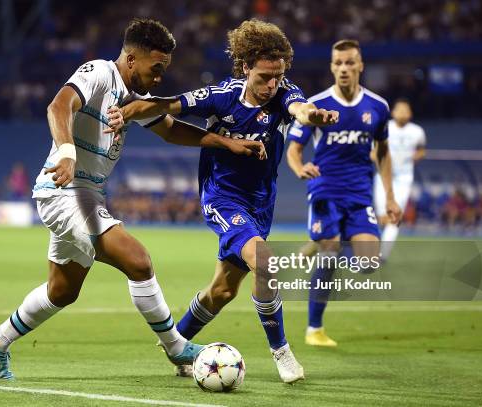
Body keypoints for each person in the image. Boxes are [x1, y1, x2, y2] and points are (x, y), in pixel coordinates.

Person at [0, 18, 265, 380]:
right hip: (64, 190)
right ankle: (177, 348)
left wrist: (228, 143)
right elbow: (58, 106)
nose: (159, 78)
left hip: (87, 193)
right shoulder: (98, 73)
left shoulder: (137, 97)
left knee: (62, 291)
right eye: (155, 68)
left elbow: (172, 131)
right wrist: (66, 151)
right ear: (131, 59)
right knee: (138, 261)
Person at [121, 19, 338, 383]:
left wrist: (313, 115)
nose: (272, 85)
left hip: (260, 204)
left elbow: (301, 108)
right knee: (264, 263)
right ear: (245, 66)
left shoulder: (285, 94)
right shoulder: (221, 96)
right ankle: (282, 353)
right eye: (265, 76)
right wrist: (127, 109)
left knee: (222, 290)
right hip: (222, 198)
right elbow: (169, 106)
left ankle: (179, 344)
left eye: (278, 77)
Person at [286, 39, 402, 348]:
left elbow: (384, 152)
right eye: (338, 63)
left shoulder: (377, 107)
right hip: (325, 187)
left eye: (350, 63)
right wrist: (299, 168)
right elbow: (294, 150)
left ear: (361, 66)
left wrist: (389, 197)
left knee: (368, 263)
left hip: (360, 192)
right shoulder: (317, 104)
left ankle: (319, 238)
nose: (344, 69)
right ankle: (314, 329)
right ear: (331, 68)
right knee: (331, 251)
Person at [372, 98, 426, 259]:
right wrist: (377, 158)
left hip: (403, 178)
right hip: (382, 176)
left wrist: (416, 156)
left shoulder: (417, 131)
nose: (402, 112)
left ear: (410, 114)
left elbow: (422, 150)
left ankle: (382, 255)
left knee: (395, 216)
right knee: (382, 217)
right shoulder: (384, 127)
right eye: (399, 109)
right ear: (393, 112)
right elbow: (372, 150)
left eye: (405, 110)